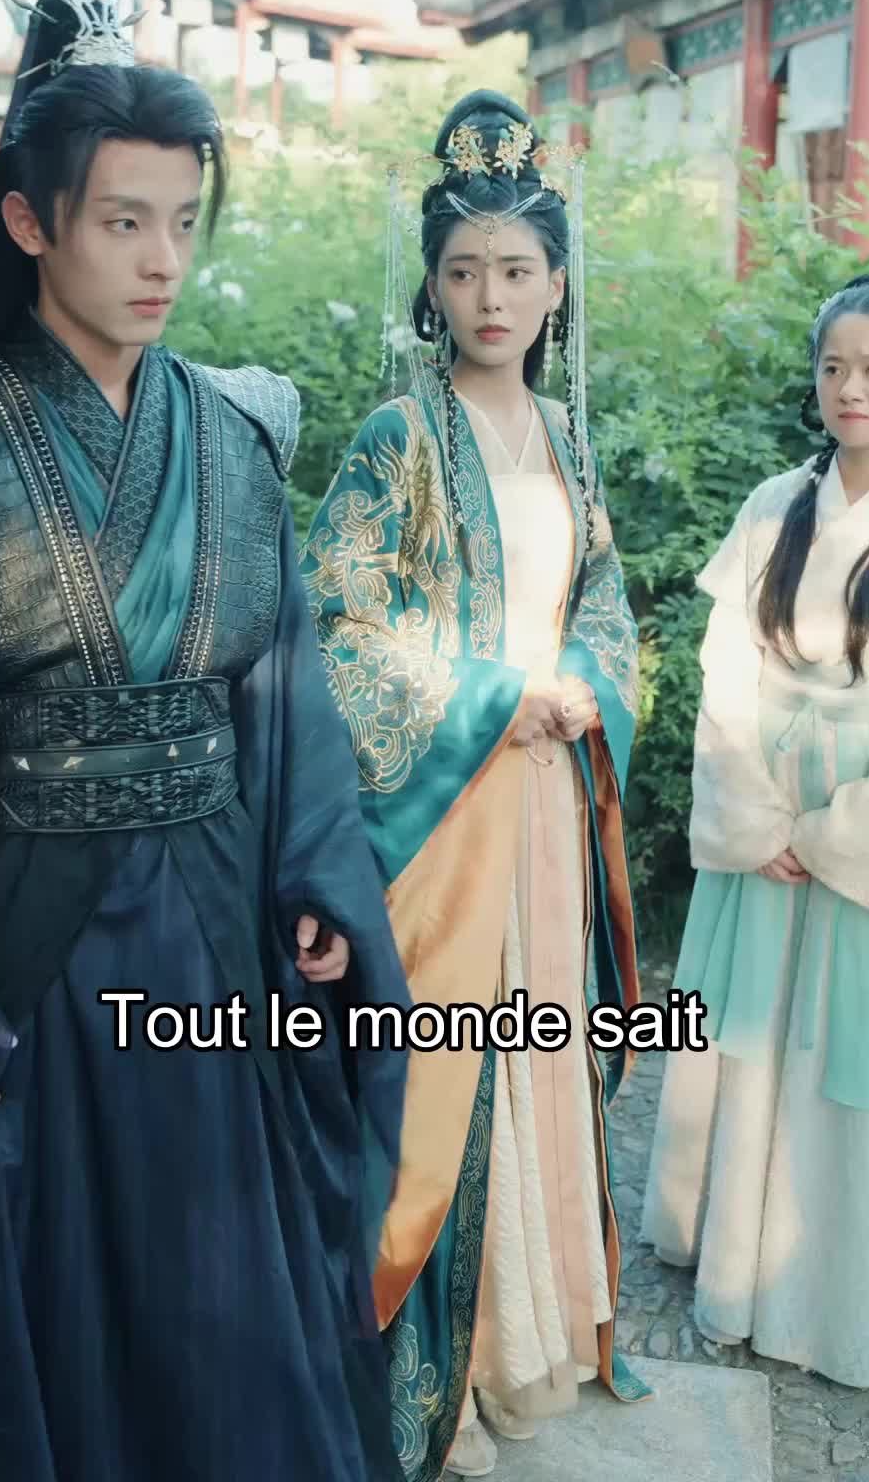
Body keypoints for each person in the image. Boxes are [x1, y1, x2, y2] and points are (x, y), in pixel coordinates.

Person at [0, 0, 409, 1482]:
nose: (161, 259)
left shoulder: (236, 433)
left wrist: (319, 884)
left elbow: (283, 687)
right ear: (29, 222)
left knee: (229, 1313)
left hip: (222, 936)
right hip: (28, 958)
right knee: (53, 1304)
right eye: (121, 221)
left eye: (182, 219)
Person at [300, 91, 647, 1480]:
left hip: (549, 799)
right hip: (448, 809)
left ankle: (530, 1345)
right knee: (447, 1075)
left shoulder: (568, 440)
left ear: (558, 285)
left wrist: (589, 682)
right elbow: (339, 620)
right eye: (463, 270)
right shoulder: (399, 435)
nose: (489, 298)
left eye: (515, 269)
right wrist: (499, 696)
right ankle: (429, 1384)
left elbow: (604, 597)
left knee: (542, 1059)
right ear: (431, 288)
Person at [641, 270, 869, 1388]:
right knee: (750, 1033)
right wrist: (757, 814)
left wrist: (841, 833)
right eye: (833, 367)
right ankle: (730, 1252)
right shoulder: (776, 503)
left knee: (852, 1052)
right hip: (764, 809)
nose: (850, 388)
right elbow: (725, 670)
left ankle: (846, 1293)